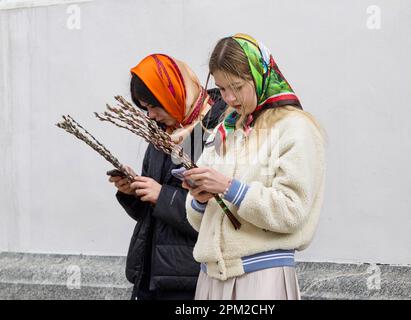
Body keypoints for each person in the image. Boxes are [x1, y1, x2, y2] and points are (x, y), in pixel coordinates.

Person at [182, 34, 326, 300]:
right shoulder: (225, 131)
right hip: (211, 279)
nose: (229, 98)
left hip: (261, 280)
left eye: (236, 87)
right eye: (222, 88)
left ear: (260, 76)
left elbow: (292, 210)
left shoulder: (295, 128)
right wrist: (200, 199)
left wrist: (228, 188)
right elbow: (197, 218)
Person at [109, 53, 227, 300]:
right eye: (145, 108)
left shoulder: (214, 130)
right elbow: (148, 216)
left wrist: (161, 195)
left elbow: (219, 216)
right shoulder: (162, 133)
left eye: (153, 105)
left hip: (188, 281)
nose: (150, 115)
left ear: (172, 93)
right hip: (148, 276)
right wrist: (134, 192)